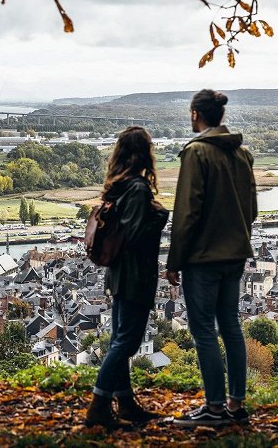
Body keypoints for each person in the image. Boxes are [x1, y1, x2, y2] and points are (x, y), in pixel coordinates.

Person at [166, 89, 257, 427]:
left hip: (203, 258)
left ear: (195, 115)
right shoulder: (242, 154)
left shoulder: (197, 153)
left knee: (203, 330)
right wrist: (237, 239)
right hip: (235, 254)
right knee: (231, 325)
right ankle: (236, 405)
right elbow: (252, 210)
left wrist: (174, 260)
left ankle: (214, 408)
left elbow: (187, 212)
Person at [85, 127, 169, 429]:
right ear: (144, 154)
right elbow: (134, 237)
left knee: (119, 340)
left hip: (118, 274)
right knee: (126, 343)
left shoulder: (118, 187)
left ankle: (126, 402)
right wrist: (159, 218)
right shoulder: (138, 189)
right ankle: (99, 405)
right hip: (135, 275)